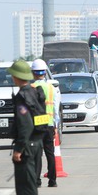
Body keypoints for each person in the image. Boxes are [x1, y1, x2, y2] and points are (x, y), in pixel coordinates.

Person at [7, 59, 45, 195]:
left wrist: (19, 149)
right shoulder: (36, 92)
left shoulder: (23, 96)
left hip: (27, 146)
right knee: (30, 184)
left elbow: (25, 125)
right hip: (36, 144)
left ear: (16, 77)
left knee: (25, 185)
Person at [31, 59, 57, 188]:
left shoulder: (30, 88)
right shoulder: (51, 88)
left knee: (37, 154)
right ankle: (53, 180)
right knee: (50, 153)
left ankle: (37, 181)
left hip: (36, 125)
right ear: (45, 72)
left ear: (33, 73)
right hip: (49, 123)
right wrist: (55, 125)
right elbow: (56, 109)